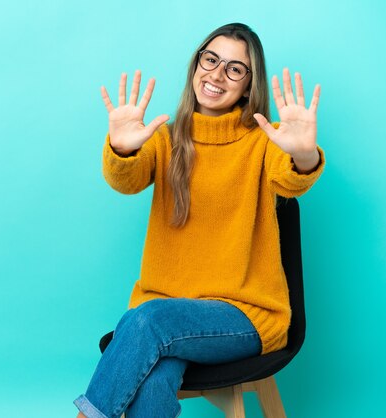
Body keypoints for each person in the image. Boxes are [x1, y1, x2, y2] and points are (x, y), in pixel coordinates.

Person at [74, 22, 325, 418]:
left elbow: (291, 178)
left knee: (145, 323)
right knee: (152, 377)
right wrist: (121, 149)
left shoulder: (267, 140)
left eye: (235, 68)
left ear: (248, 85)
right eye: (211, 59)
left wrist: (304, 155)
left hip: (246, 316)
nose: (217, 74)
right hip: (164, 314)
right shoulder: (164, 138)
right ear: (196, 65)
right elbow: (127, 180)